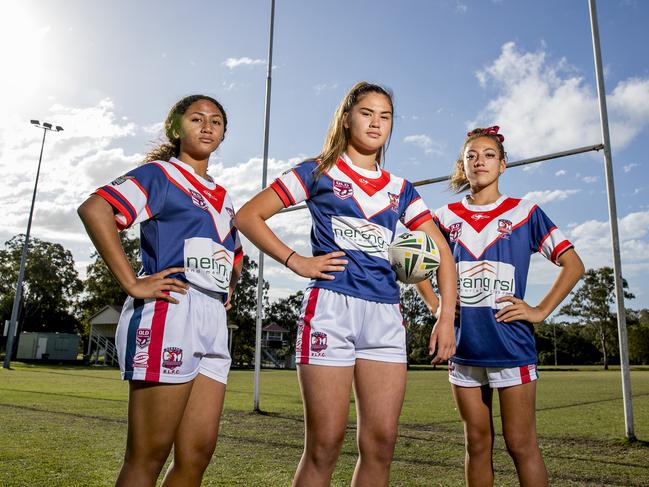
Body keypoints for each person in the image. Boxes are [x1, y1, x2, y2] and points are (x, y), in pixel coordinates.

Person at [235, 81, 457, 487]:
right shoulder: (317, 170)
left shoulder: (401, 189)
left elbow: (441, 250)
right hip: (331, 310)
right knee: (325, 444)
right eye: (367, 112)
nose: (376, 122)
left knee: (381, 442)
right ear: (346, 117)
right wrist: (296, 260)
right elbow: (248, 216)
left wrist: (444, 314)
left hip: (386, 316)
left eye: (385, 116)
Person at [77, 94, 243, 487]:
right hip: (170, 308)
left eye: (216, 121)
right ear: (175, 128)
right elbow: (95, 209)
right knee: (147, 457)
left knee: (196, 457)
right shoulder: (160, 175)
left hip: (212, 320)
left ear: (223, 134)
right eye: (196, 118)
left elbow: (234, 254)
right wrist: (131, 282)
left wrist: (229, 284)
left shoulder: (224, 197)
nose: (207, 126)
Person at [434, 126, 585, 486]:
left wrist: (539, 310)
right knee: (476, 443)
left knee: (520, 444)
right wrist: (439, 307)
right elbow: (419, 267)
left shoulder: (525, 212)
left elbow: (573, 264)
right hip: (463, 345)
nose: (479, 161)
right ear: (462, 165)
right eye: (471, 155)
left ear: (503, 165)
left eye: (488, 155)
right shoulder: (443, 217)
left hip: (511, 344)